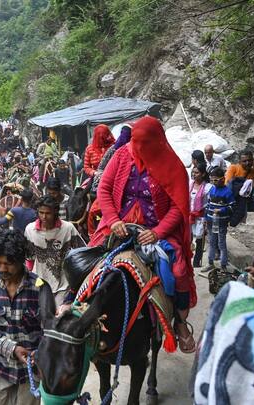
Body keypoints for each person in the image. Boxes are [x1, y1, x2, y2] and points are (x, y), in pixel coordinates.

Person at [90, 115, 197, 353]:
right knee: (87, 260)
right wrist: (114, 220)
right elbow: (105, 190)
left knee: (177, 271)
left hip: (154, 230)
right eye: (135, 142)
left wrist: (157, 232)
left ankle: (179, 322)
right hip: (117, 226)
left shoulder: (173, 165)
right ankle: (73, 304)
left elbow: (177, 208)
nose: (137, 148)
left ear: (157, 141)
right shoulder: (121, 155)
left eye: (143, 143)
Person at [0, 230, 42, 405]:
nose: (2, 268)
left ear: (21, 260)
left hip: (31, 371)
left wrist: (39, 353)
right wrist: (11, 349)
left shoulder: (40, 288)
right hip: (0, 367)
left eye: (9, 263)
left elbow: (49, 330)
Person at [24, 196, 85, 309]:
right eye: (41, 212)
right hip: (40, 282)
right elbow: (29, 257)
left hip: (64, 284)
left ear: (55, 212)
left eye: (48, 213)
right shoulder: (30, 229)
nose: (44, 217)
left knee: (57, 317)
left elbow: (81, 252)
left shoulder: (68, 228)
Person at [205, 167, 235, 272]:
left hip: (221, 222)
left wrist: (221, 210)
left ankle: (223, 265)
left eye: (216, 180)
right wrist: (206, 218)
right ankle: (210, 263)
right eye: (212, 180)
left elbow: (232, 207)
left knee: (221, 243)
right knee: (212, 242)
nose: (213, 182)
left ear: (223, 179)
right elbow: (208, 205)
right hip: (210, 221)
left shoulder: (227, 192)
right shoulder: (212, 189)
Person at [189, 163, 212, 268]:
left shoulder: (207, 187)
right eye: (193, 172)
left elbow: (210, 203)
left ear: (203, 174)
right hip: (190, 215)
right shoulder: (190, 184)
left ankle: (197, 261)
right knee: (188, 237)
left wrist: (207, 219)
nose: (194, 174)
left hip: (201, 216)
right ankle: (187, 258)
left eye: (197, 172)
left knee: (199, 239)